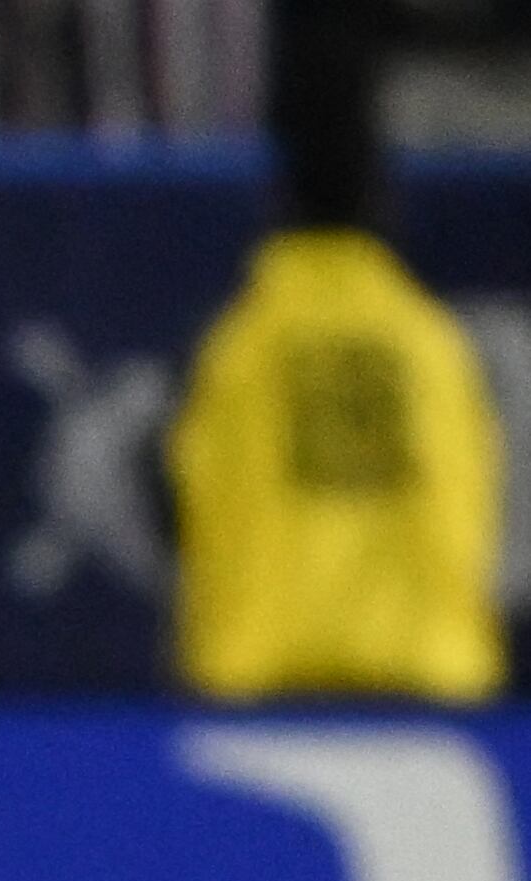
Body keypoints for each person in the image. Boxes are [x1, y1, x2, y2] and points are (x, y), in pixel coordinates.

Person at [169, 5, 505, 703]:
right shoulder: (432, 343)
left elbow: (183, 497)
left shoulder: (242, 347)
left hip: (269, 680)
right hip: (428, 687)